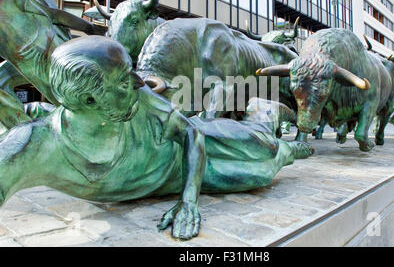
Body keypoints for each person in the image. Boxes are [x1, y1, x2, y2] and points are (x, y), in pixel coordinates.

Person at [0, 36, 313, 240]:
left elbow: (190, 132)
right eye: (124, 78)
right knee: (258, 169)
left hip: (185, 157)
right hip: (166, 178)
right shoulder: (32, 146)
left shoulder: (140, 97)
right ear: (90, 100)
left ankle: (265, 114)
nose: (138, 82)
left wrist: (189, 202)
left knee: (263, 154)